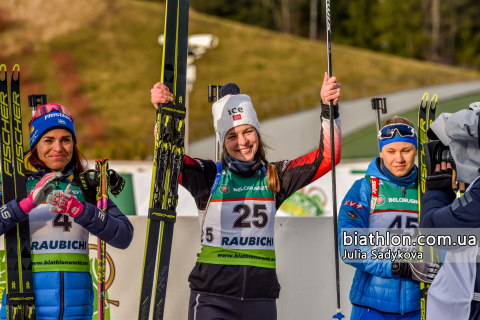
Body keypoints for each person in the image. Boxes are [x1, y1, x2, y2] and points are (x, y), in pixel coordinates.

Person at [150, 72, 341, 320]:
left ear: (257, 132)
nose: (242, 142)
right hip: (211, 299)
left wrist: (329, 109)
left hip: (260, 300)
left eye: (247, 132)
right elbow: (168, 158)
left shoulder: (275, 176)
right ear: (222, 140)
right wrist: (163, 113)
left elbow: (328, 157)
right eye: (232, 136)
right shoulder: (209, 175)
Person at [0, 103, 134, 320]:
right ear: (35, 145)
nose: (58, 148)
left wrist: (81, 210)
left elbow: (124, 235)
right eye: (48, 140)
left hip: (76, 311)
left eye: (65, 140)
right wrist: (25, 205)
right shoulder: (16, 185)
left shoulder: (86, 187)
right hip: (24, 308)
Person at [338, 116, 439, 320]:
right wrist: (398, 266)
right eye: (391, 151)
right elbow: (349, 247)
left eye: (406, 151)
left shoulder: (429, 190)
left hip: (419, 306)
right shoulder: (365, 189)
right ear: (381, 152)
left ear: (416, 151)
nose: (399, 159)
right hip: (371, 306)